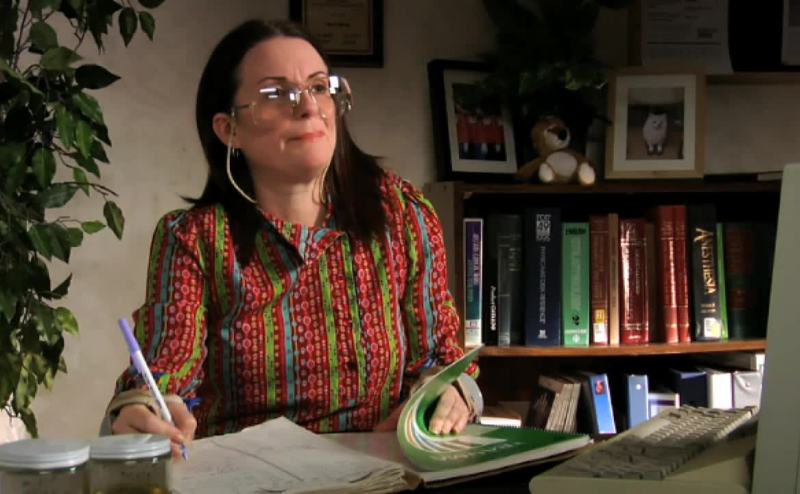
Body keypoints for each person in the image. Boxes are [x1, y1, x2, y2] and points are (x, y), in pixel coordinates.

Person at [104, 19, 482, 458]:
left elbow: (442, 361)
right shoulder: (195, 238)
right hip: (246, 477)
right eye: (275, 93)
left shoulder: (401, 214)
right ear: (229, 130)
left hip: (382, 471)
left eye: (319, 87)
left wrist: (452, 393)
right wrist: (149, 408)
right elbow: (164, 376)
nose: (308, 107)